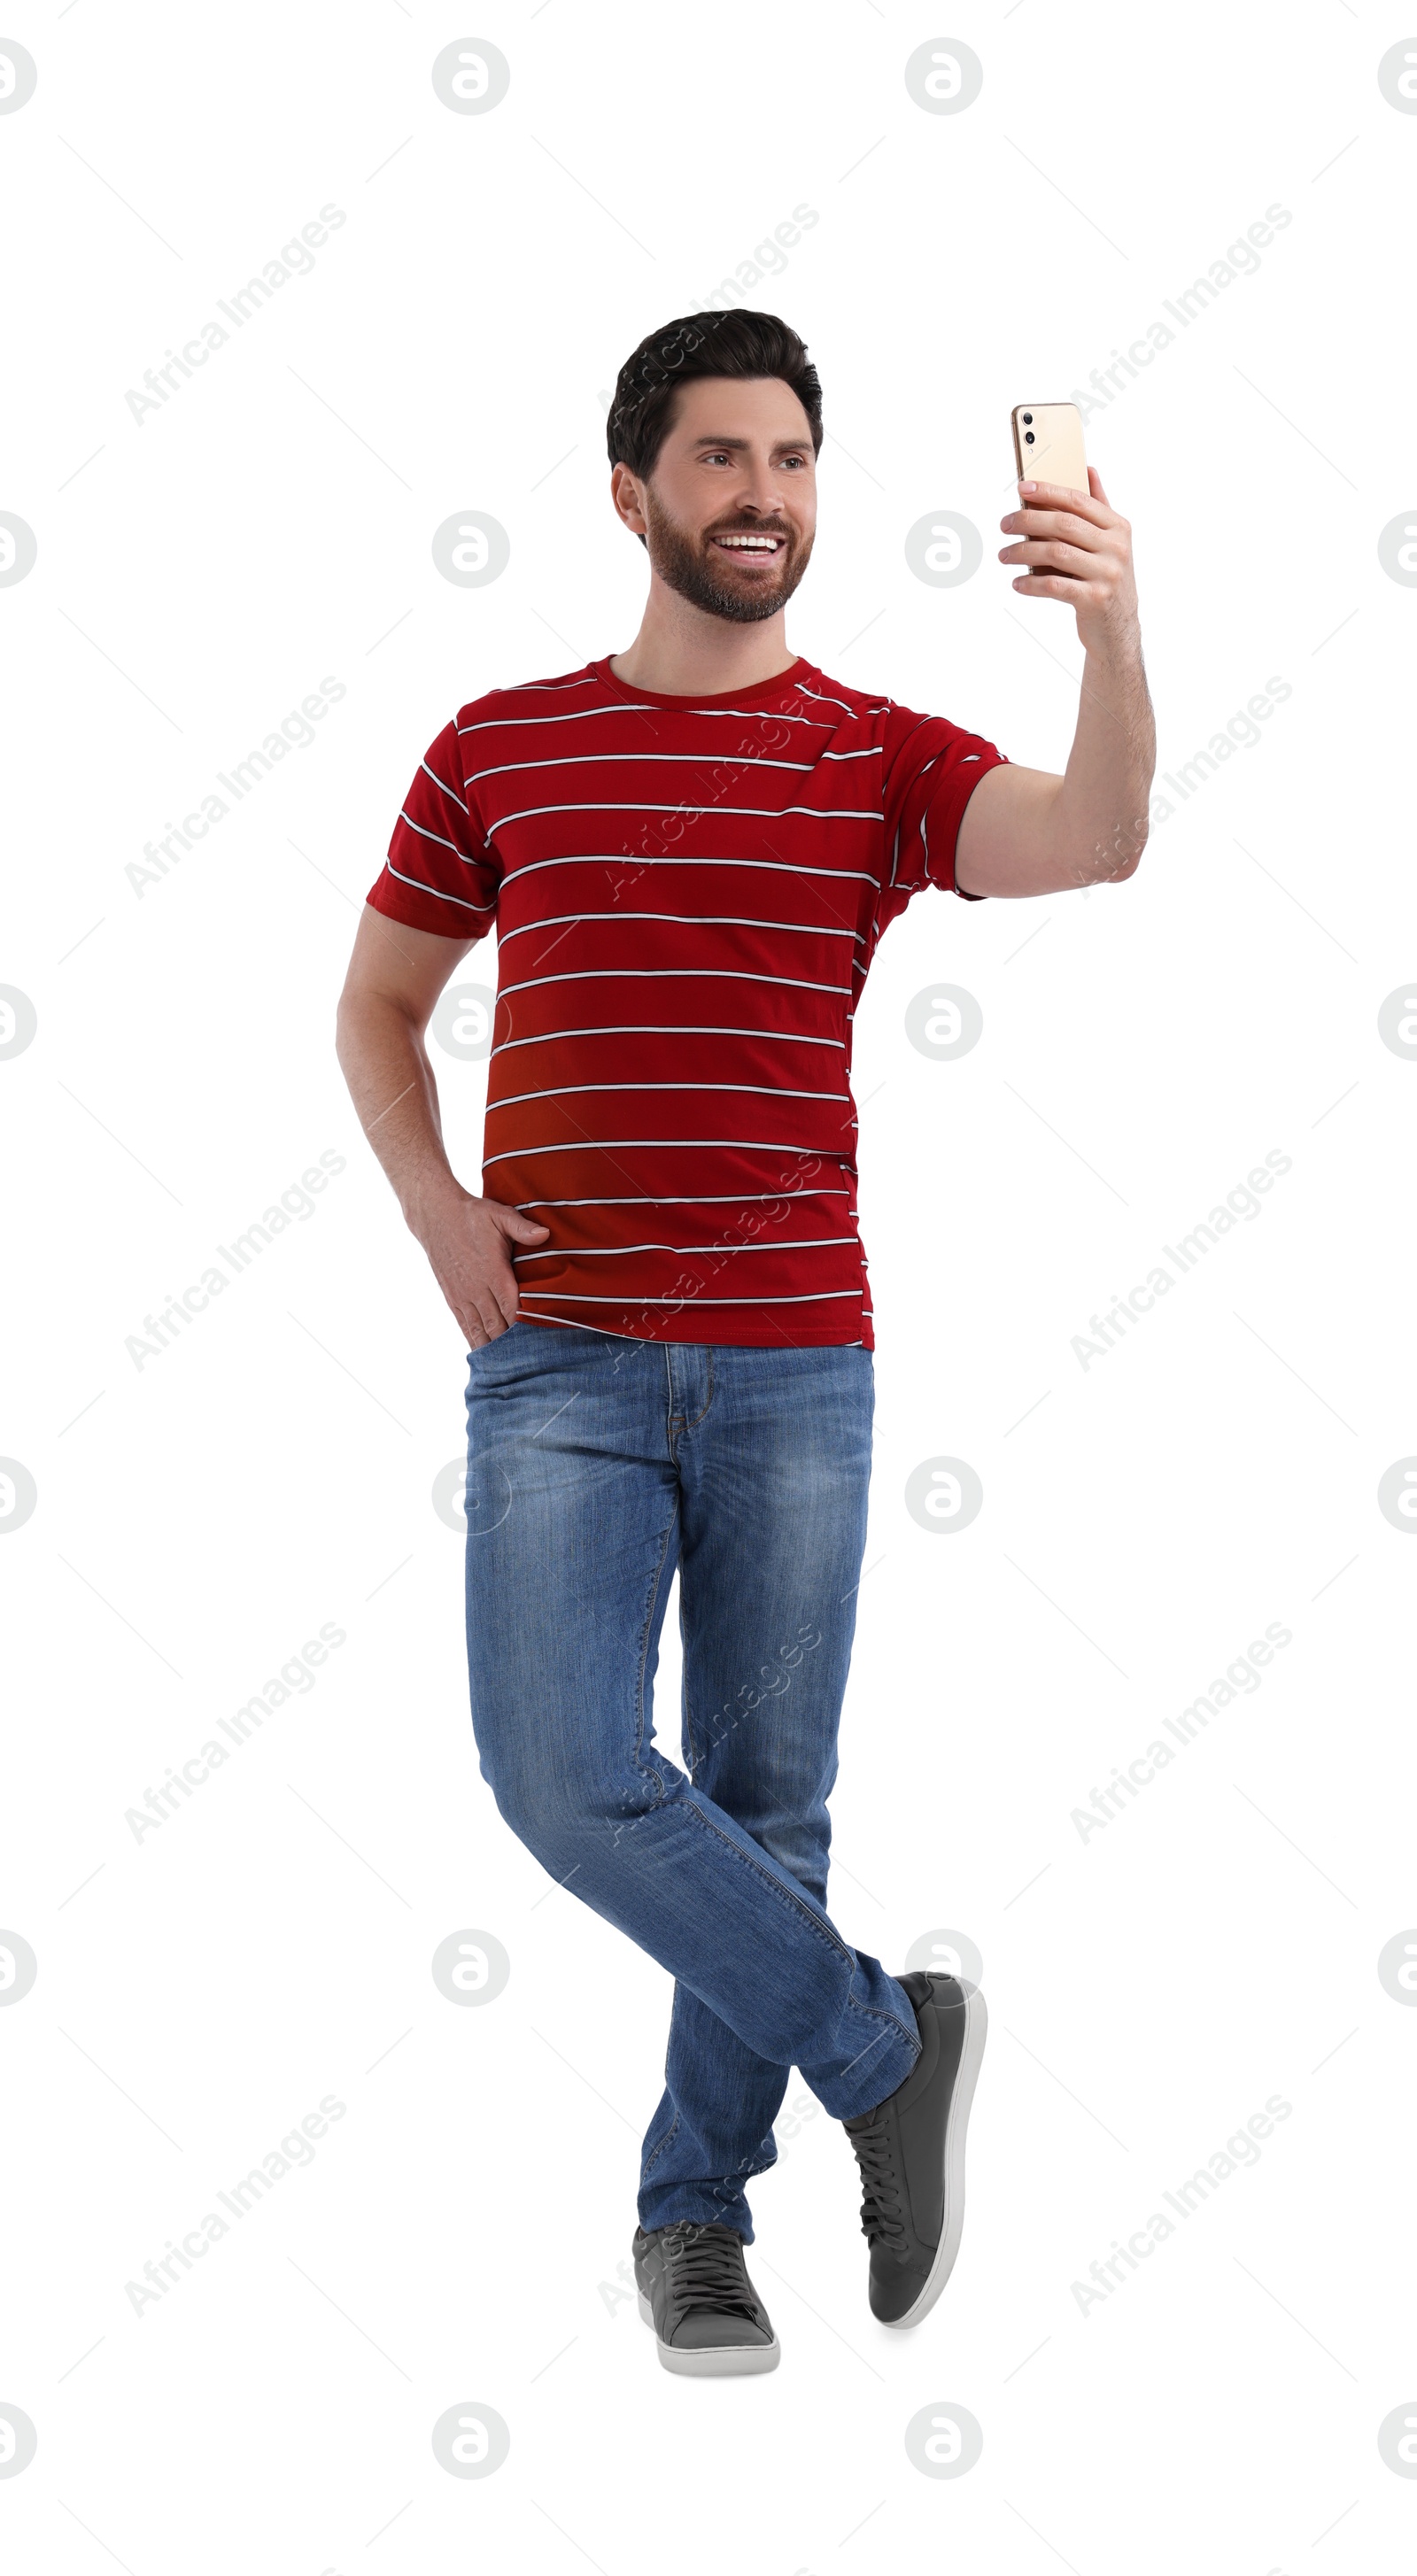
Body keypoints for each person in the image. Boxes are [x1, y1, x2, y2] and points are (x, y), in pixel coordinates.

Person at [336, 310, 1154, 2376]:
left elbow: (1096, 838)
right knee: (565, 1773)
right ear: (631, 493)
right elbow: (372, 1005)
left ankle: (690, 2220)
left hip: (799, 1356)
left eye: (787, 460)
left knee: (765, 1801)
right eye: (716, 461)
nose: (760, 496)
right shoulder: (497, 742)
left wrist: (1110, 636)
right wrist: (436, 1207)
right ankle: (885, 2044)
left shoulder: (871, 750)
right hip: (561, 1358)